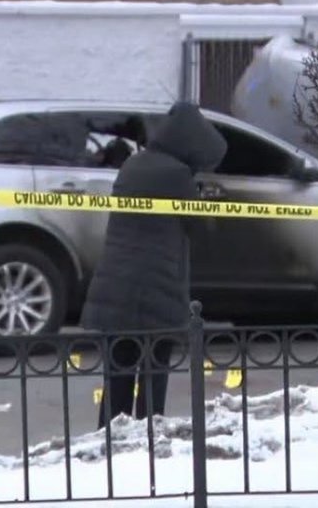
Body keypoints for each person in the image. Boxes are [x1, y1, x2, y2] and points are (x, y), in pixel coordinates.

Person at [80, 101, 227, 429]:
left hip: (115, 287)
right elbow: (200, 230)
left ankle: (110, 441)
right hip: (156, 291)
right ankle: (148, 440)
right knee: (153, 376)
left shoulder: (133, 164)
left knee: (117, 374)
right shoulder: (177, 175)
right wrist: (203, 199)